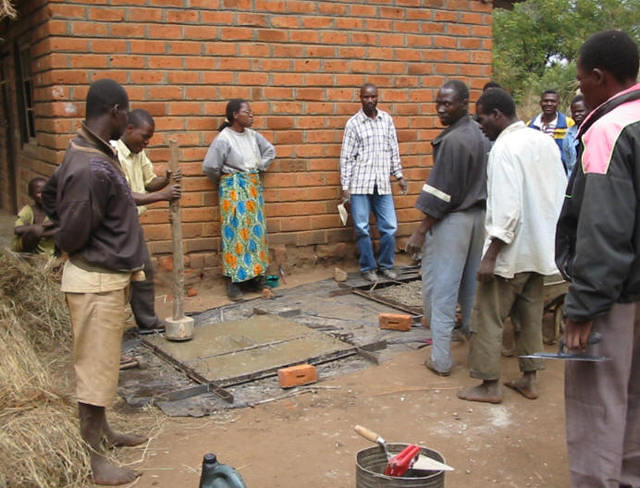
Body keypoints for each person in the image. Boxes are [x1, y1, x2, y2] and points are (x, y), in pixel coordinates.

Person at [41, 79, 147, 485]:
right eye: (127, 113)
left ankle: (104, 432)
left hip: (105, 278)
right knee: (95, 373)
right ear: (117, 111)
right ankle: (93, 459)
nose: (128, 118)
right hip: (94, 281)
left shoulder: (89, 149)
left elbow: (51, 194)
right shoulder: (90, 165)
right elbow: (71, 235)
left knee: (102, 367)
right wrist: (82, 235)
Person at [555, 30, 640, 487]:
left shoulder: (609, 130)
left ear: (599, 77)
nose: (578, 90)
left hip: (615, 299)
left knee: (598, 407)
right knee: (635, 404)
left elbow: (604, 228)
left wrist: (584, 306)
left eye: (580, 80)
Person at [457, 88, 566, 404]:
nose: (480, 126)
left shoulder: (504, 149)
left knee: (488, 317)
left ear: (496, 115)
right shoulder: (542, 142)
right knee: (529, 315)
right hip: (540, 250)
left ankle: (489, 384)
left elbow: (507, 210)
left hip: (510, 253)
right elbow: (558, 193)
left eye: (482, 119)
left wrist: (489, 255)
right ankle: (529, 378)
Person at [405, 80, 490, 376]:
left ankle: (441, 359)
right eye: (438, 102)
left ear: (465, 103)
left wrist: (420, 232)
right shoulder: (480, 134)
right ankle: (477, 352)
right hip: (478, 218)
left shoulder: (453, 141)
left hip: (454, 221)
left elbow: (440, 195)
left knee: (443, 290)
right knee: (470, 289)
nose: (441, 108)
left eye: (448, 103)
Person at [112, 109, 182, 334]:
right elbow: (125, 195)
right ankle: (114, 328)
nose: (147, 142)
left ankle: (147, 322)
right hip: (114, 225)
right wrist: (164, 195)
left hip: (132, 224)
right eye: (144, 136)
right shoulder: (114, 154)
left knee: (144, 271)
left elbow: (149, 183)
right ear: (129, 129)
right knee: (119, 277)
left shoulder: (138, 152)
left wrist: (166, 180)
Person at [202, 99, 275, 301]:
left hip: (252, 189)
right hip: (233, 190)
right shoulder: (224, 139)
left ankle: (255, 277)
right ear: (235, 115)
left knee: (254, 234)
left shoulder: (253, 136)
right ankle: (234, 281)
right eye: (247, 112)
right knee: (235, 234)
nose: (251, 115)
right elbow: (210, 167)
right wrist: (227, 181)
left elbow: (270, 151)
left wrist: (260, 166)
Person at [340, 83, 407, 282]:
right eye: (365, 97)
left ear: (378, 97)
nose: (370, 100)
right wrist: (346, 187)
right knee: (362, 227)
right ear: (360, 98)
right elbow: (346, 157)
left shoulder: (387, 120)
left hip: (382, 184)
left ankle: (386, 265)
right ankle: (368, 267)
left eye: (373, 97)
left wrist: (399, 175)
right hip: (360, 184)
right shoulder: (353, 124)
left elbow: (393, 150)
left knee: (390, 226)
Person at [527, 89, 575, 168]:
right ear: (540, 103)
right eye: (545, 101)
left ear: (558, 104)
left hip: (561, 171)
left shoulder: (569, 124)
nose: (549, 104)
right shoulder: (530, 125)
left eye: (553, 101)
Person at [11, 177, 56, 255]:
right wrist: (42, 228)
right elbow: (17, 230)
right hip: (26, 248)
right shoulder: (27, 210)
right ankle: (28, 258)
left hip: (47, 250)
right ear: (31, 195)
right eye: (39, 192)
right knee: (35, 230)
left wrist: (31, 229)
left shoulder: (54, 211)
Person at [560, 94, 589, 176]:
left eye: (580, 111)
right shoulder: (568, 134)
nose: (577, 114)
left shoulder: (595, 131)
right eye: (574, 112)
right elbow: (569, 163)